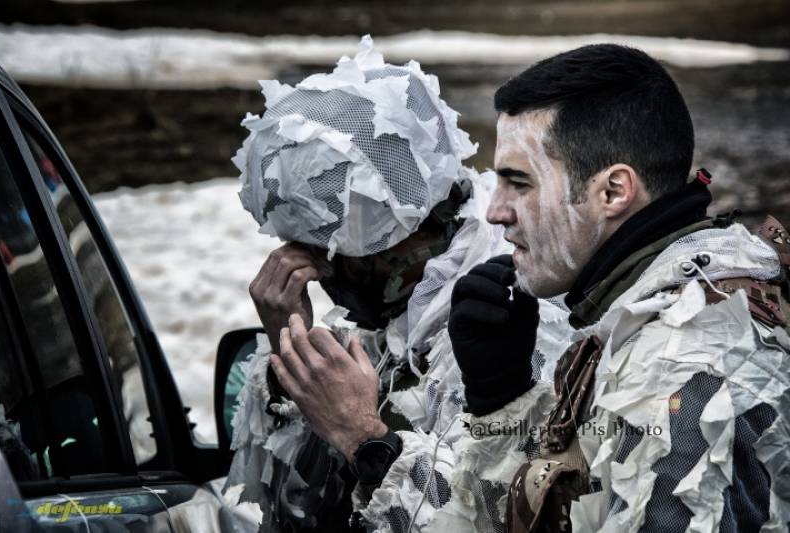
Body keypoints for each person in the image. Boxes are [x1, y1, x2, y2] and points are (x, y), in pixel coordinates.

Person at [224, 36, 573, 532]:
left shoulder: (514, 324)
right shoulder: (402, 315)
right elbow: (300, 513)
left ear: (402, 238)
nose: (323, 277)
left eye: (336, 258)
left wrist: (365, 438)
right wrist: (293, 354)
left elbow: (502, 517)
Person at [448, 43, 790, 532]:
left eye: (519, 183)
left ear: (612, 192)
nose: (494, 211)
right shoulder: (652, 302)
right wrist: (502, 397)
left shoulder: (684, 366)